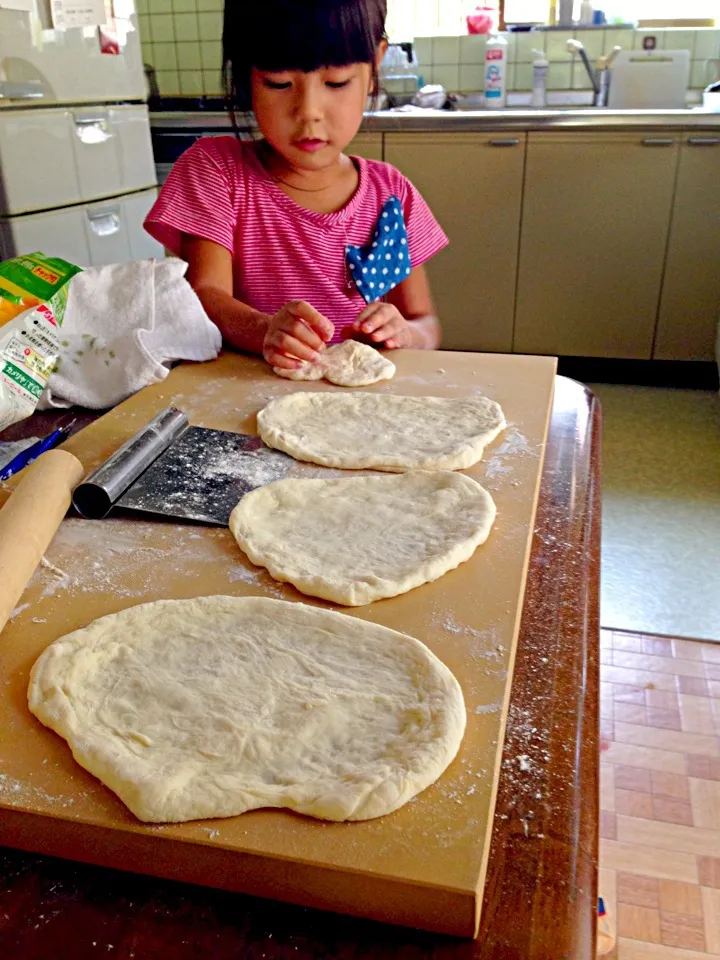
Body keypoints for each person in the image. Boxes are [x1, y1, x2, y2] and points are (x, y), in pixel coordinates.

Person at [144, 0, 448, 373]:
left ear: (375, 64)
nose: (309, 110)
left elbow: (426, 325)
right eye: (279, 83)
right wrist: (264, 330)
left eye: (336, 82)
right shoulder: (216, 173)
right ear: (246, 74)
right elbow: (205, 295)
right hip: (239, 399)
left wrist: (405, 333)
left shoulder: (391, 194)